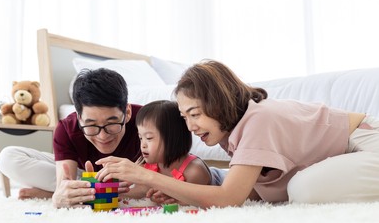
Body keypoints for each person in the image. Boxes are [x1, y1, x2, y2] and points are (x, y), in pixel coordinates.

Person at [94, 59, 379, 208]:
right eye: (184, 117)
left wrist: (145, 175)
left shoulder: (258, 120)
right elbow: (248, 195)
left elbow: (230, 197)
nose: (190, 127)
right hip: (348, 154)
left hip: (365, 142)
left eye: (195, 114)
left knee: (302, 190)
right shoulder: (235, 134)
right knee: (295, 189)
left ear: (218, 104)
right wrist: (184, 194)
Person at [0, 68, 142, 208]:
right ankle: (85, 191)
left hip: (129, 179)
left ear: (127, 112)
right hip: (82, 174)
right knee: (7, 157)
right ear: (79, 118)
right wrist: (61, 194)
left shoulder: (147, 121)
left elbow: (154, 181)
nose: (102, 136)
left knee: (146, 184)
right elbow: (65, 179)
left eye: (111, 123)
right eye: (91, 125)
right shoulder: (67, 128)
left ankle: (82, 193)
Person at [130, 100, 217, 204]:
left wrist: (162, 200)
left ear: (173, 138)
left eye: (149, 138)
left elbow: (194, 201)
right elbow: (139, 190)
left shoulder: (194, 171)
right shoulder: (148, 165)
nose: (143, 145)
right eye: (140, 138)